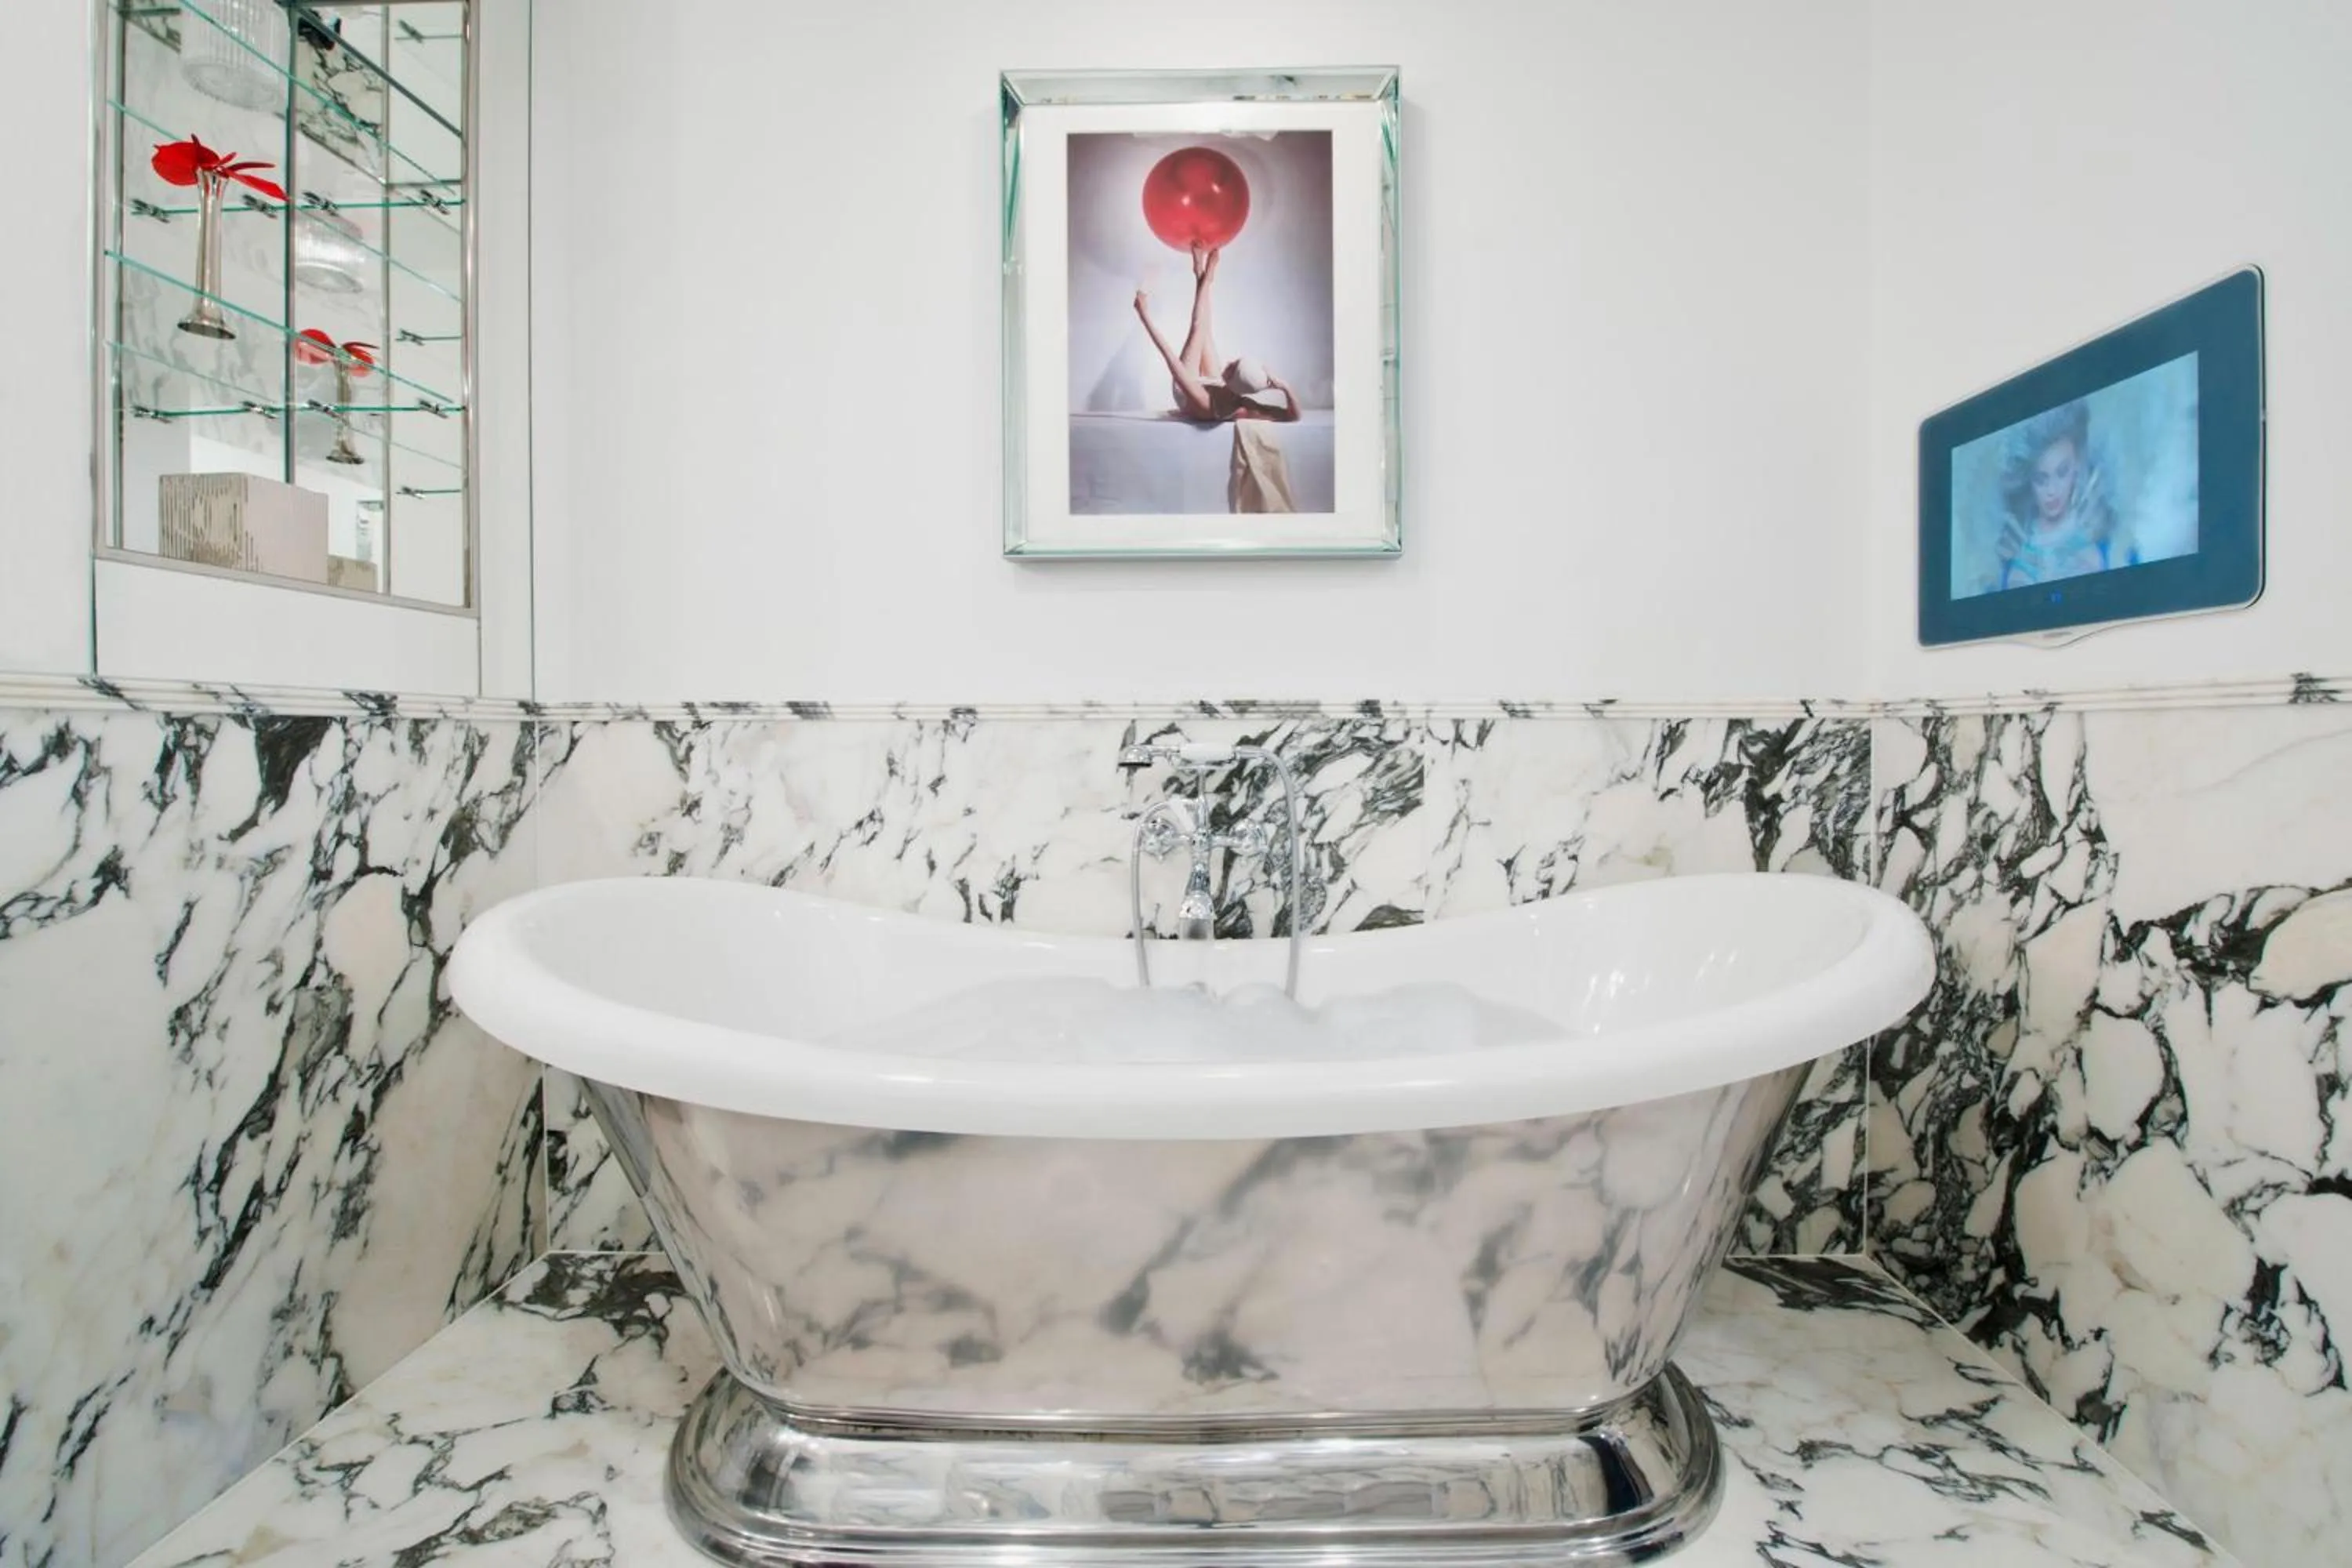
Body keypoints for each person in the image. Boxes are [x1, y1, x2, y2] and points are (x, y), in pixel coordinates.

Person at [1132, 241, 1301, 425]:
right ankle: (1202, 276)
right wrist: (1285, 387)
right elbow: (1293, 416)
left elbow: (1170, 359)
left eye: (1233, 366)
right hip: (1216, 386)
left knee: (1198, 328)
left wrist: (1144, 315)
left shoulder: (1207, 404)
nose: (1229, 361)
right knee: (1205, 329)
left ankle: (1205, 277)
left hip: (1187, 390)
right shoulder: (1243, 404)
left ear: (1234, 380)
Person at [1989, 399, 2130, 592]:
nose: (2052, 491)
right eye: (2041, 479)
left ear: (2077, 465)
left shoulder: (2098, 531)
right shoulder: (2015, 545)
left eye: (2062, 472)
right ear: (2029, 480)